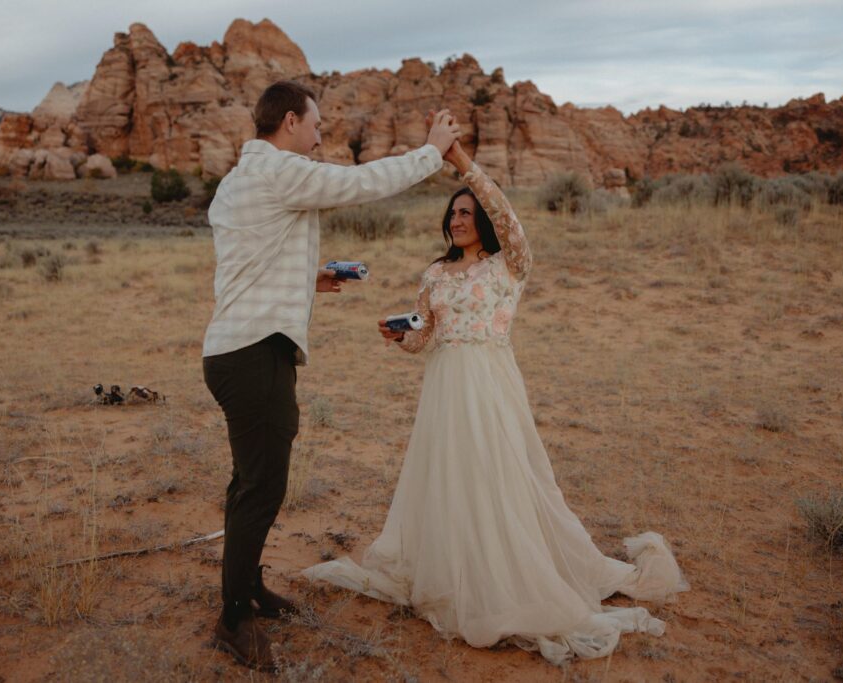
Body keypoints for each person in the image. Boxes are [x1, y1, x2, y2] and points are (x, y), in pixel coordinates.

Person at [303, 138, 690, 666]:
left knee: (496, 475)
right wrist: (400, 337)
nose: (458, 219)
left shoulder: (508, 265)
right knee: (451, 476)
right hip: (444, 387)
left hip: (489, 382)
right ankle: (455, 568)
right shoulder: (434, 275)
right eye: (453, 212)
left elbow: (510, 220)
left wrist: (462, 163)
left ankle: (506, 577)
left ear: (483, 219)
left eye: (467, 212)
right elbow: (426, 336)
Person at [201, 80, 460, 672]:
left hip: (236, 350)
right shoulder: (279, 171)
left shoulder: (241, 179)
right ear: (290, 121)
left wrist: (305, 278)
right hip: (252, 352)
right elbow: (357, 183)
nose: (321, 138)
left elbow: (246, 264)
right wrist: (431, 151)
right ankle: (233, 621)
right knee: (261, 487)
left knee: (250, 482)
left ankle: (247, 591)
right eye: (316, 125)